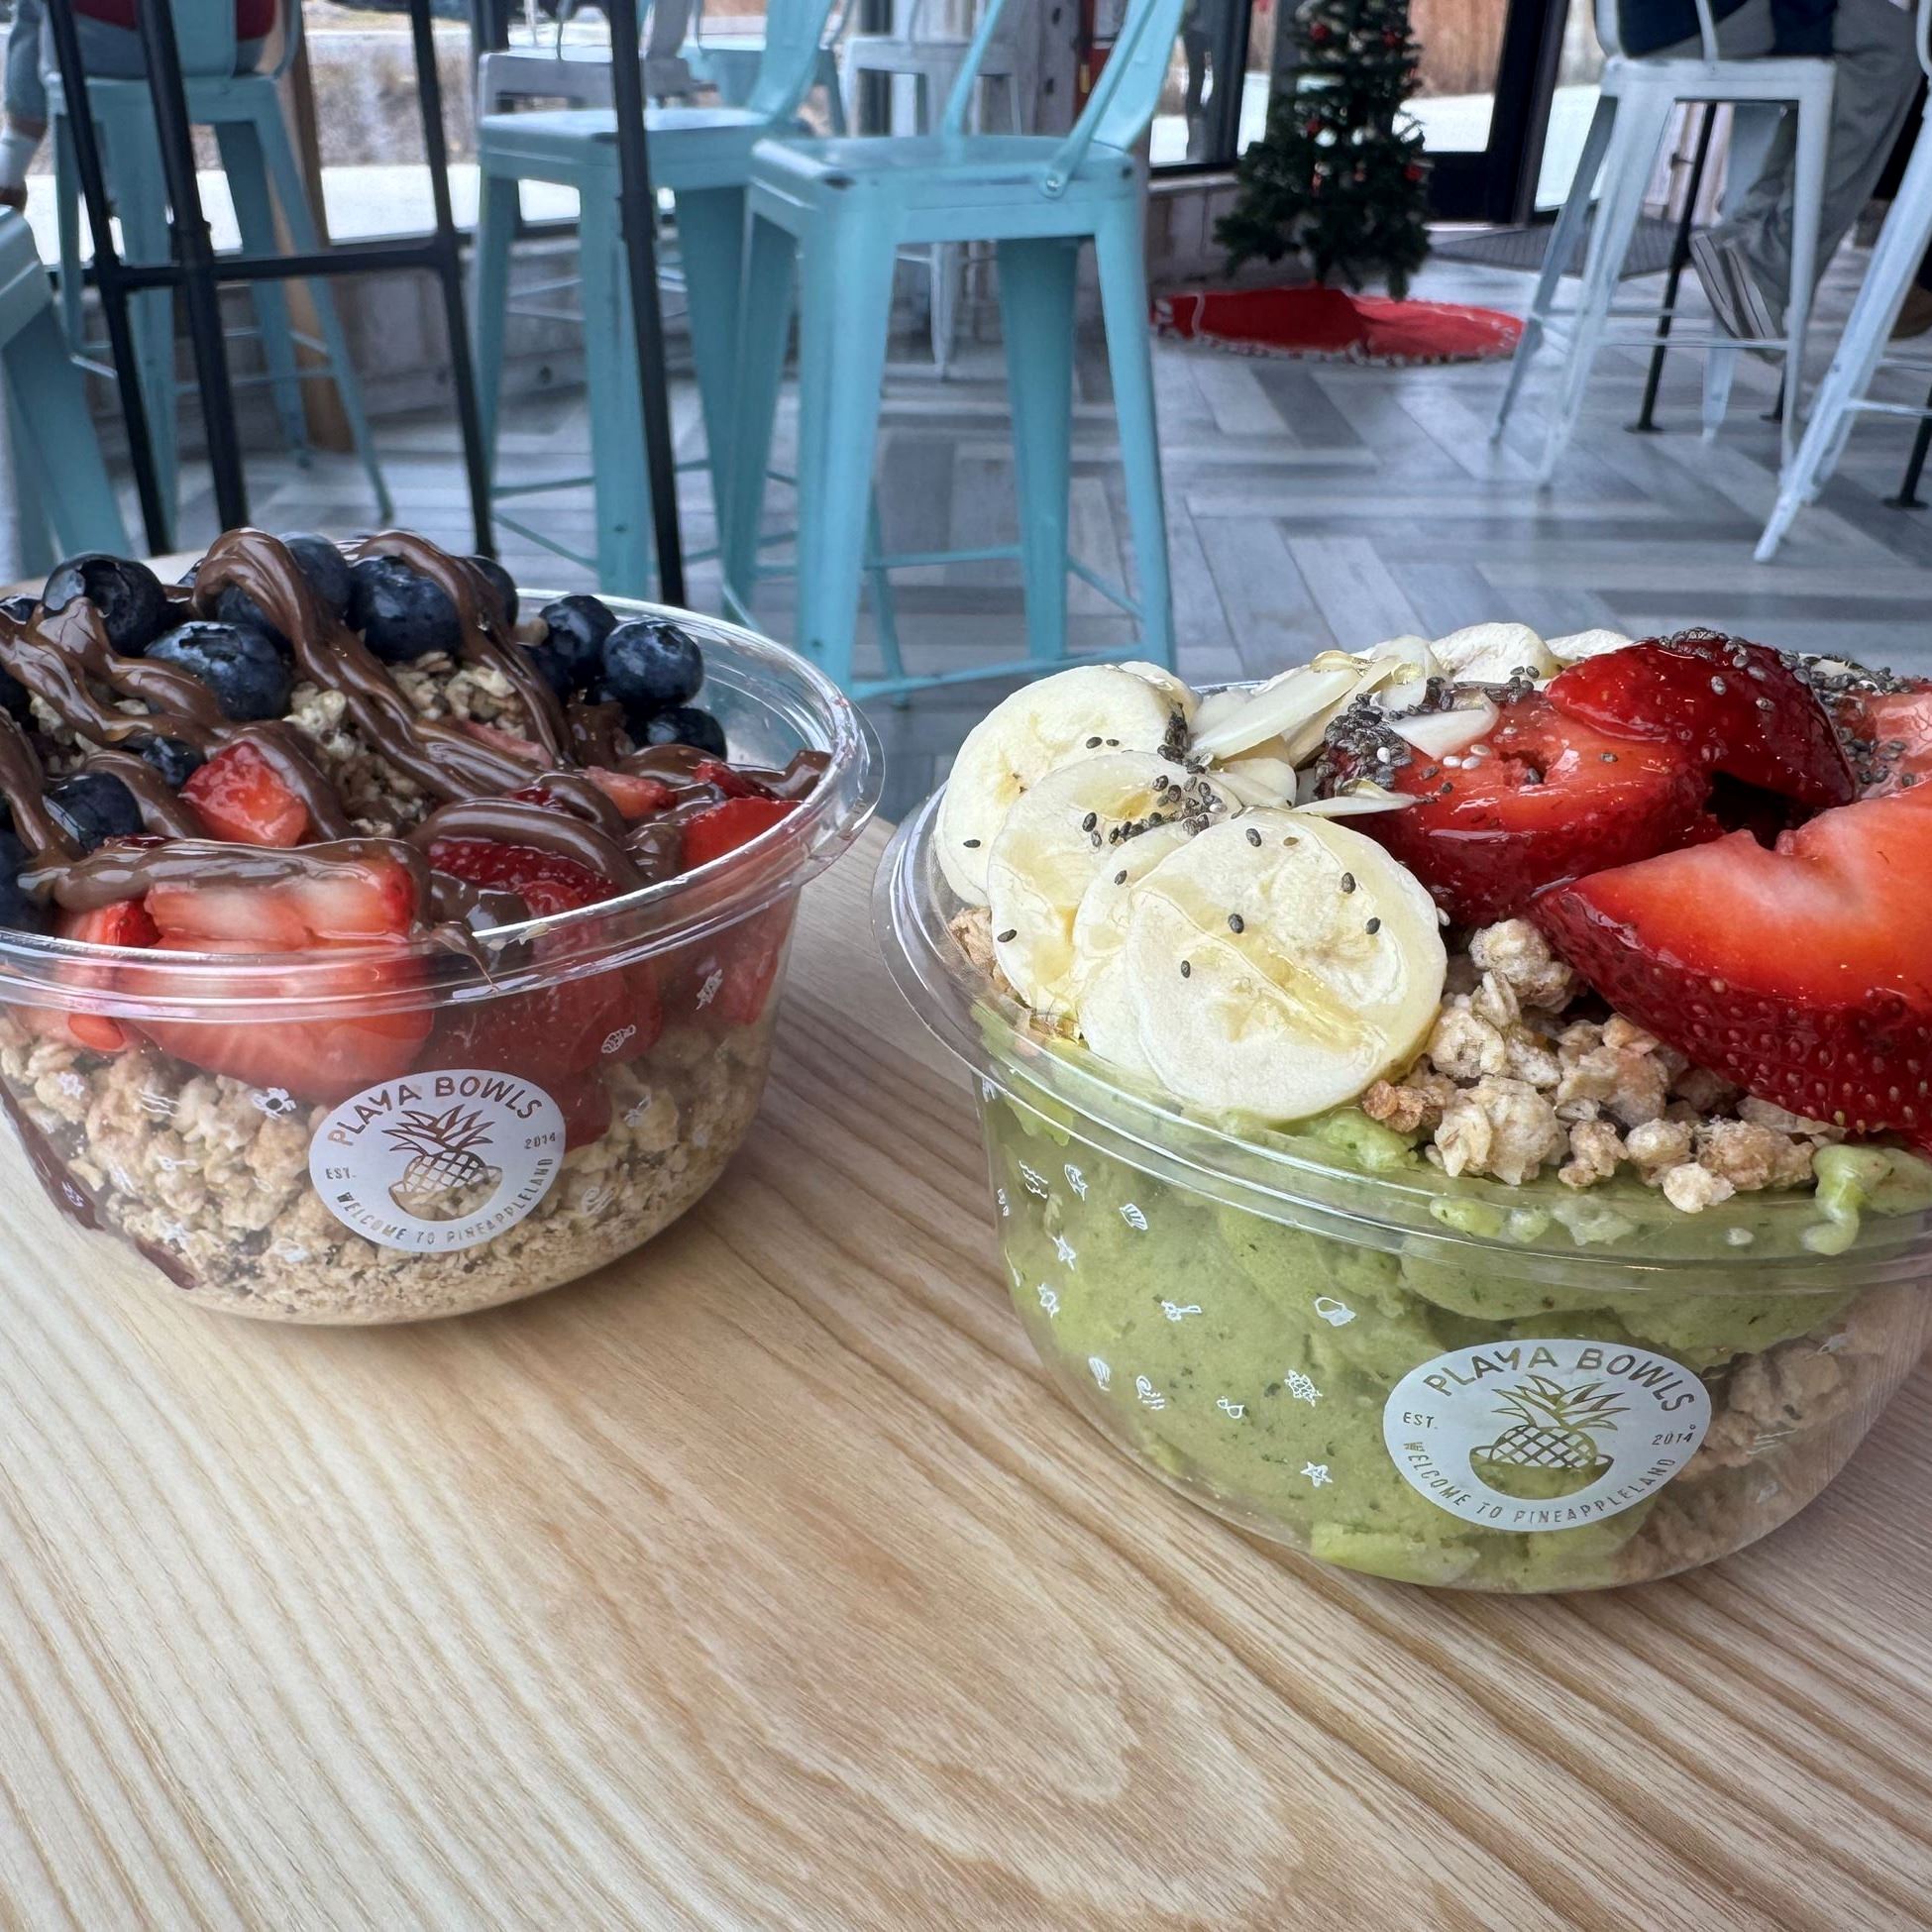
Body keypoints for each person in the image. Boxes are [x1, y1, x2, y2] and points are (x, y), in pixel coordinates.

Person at [1614, 0, 1925, 342]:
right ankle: (1762, 268)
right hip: (1691, 20)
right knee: (1891, 47)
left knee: (1850, 53)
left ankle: (1748, 245)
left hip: (1650, 19)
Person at [0, 0, 274, 212]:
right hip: (237, 37)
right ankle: (133, 197)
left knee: (52, 20)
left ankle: (12, 166)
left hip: (127, 35)